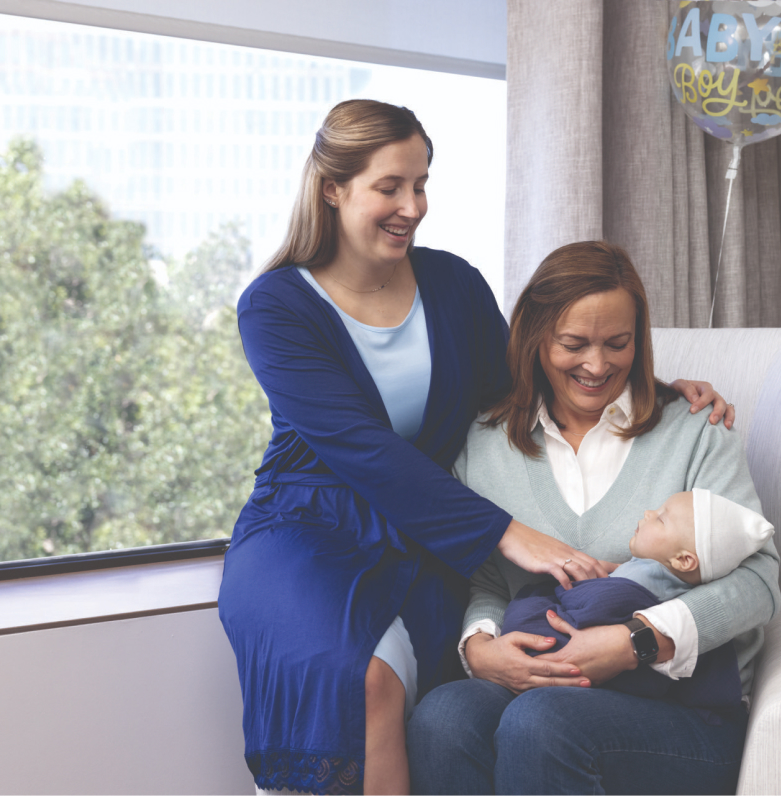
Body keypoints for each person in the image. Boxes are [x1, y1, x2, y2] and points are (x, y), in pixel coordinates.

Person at [218, 103, 732, 796]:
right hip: (310, 524)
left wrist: (656, 388)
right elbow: (359, 447)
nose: (412, 206)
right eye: (390, 186)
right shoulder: (274, 306)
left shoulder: (452, 283)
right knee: (362, 682)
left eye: (421, 184)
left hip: (429, 528)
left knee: (444, 707)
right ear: (332, 188)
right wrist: (509, 532)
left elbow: (522, 384)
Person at [406, 240, 781, 796]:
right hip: (539, 690)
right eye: (574, 344)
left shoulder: (695, 430)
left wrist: (637, 641)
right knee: (444, 718)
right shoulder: (484, 445)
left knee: (544, 724)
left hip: (684, 717)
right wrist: (480, 647)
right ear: (535, 338)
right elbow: (488, 578)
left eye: (618, 343)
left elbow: (758, 581)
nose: (598, 365)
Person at [494, 489, 774, 712]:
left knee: (527, 622)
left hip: (601, 670)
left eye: (661, 518)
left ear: (683, 560)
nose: (648, 512)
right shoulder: (645, 569)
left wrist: (589, 590)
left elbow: (604, 606)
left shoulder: (646, 584)